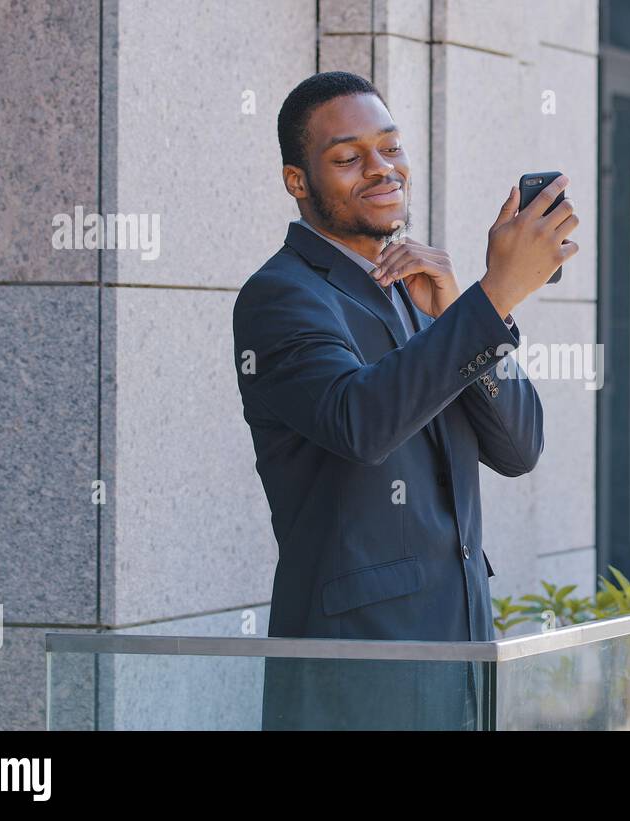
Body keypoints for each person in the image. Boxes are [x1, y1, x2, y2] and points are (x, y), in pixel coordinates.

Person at [232, 71, 578, 728]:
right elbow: (360, 421)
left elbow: (520, 445)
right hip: (359, 671)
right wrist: (490, 299)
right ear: (297, 180)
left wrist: (457, 305)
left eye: (390, 147)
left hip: (461, 650)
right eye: (347, 157)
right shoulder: (282, 296)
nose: (380, 168)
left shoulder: (418, 289)